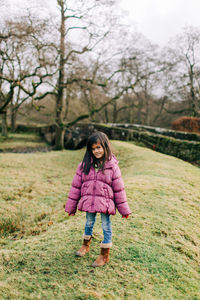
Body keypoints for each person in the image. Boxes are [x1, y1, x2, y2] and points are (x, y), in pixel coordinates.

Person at [65, 131, 131, 267]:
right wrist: (71, 207)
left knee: (106, 226)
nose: (96, 151)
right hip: (89, 202)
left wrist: (124, 210)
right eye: (93, 148)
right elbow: (75, 187)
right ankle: (85, 245)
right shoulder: (84, 166)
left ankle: (104, 254)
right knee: (89, 222)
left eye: (99, 147)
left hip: (106, 203)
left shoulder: (112, 166)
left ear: (105, 147)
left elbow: (119, 189)